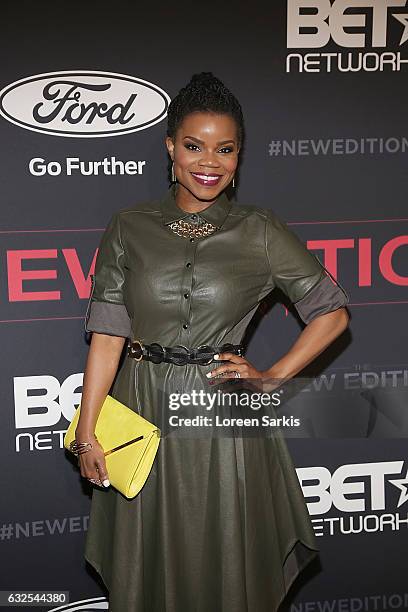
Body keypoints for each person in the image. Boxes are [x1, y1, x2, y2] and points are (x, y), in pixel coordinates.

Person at [75, 72, 350, 612]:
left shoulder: (260, 229)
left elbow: (332, 313)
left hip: (221, 415)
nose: (209, 162)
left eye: (225, 149)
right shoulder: (128, 226)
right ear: (170, 147)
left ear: (239, 155)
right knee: (146, 558)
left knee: (228, 559)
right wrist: (87, 432)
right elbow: (108, 333)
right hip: (142, 406)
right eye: (194, 146)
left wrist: (270, 376)